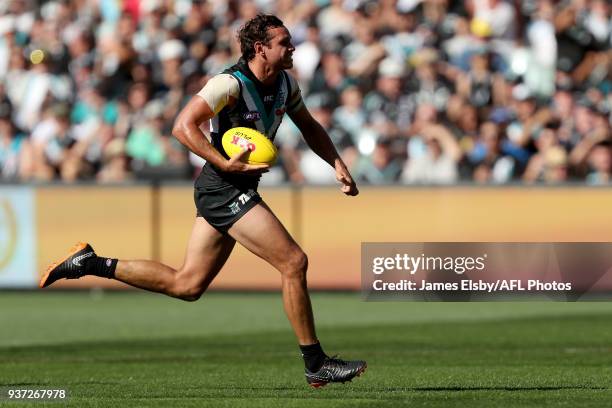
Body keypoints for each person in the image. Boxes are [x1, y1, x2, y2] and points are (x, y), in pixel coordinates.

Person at [39, 14, 366, 388]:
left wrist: (337, 163)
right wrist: (222, 161)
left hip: (232, 187)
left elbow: (308, 124)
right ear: (261, 49)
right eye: (285, 42)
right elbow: (182, 126)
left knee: (187, 286)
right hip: (222, 186)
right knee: (294, 262)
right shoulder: (229, 83)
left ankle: (89, 262)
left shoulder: (285, 84)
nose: (292, 48)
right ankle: (315, 362)